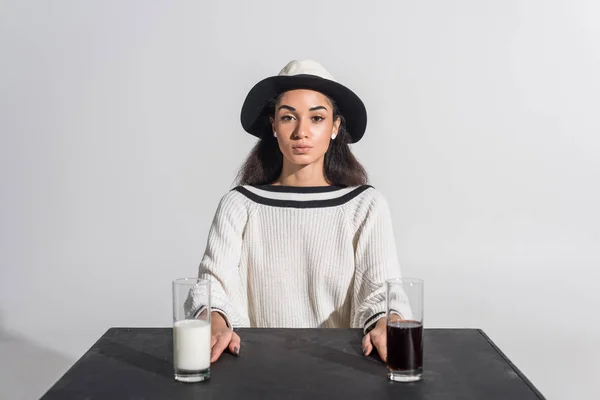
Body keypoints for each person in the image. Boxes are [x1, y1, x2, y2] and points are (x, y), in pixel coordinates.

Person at [195, 60, 408, 364]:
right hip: (254, 369)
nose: (301, 132)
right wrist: (214, 317)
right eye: (288, 117)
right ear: (273, 126)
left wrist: (390, 318)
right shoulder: (240, 204)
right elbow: (214, 286)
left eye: (317, 118)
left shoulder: (364, 205)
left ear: (335, 127)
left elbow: (382, 290)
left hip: (340, 367)